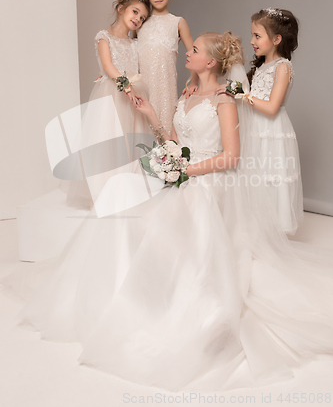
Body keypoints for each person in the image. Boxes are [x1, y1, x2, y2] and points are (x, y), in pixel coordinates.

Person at [12, 31, 333, 391]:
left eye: (193, 50)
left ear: (210, 62)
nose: (188, 52)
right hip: (184, 174)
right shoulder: (188, 93)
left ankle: (195, 309)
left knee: (176, 213)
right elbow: (177, 144)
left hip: (212, 182)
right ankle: (129, 298)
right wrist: (153, 118)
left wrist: (184, 171)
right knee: (124, 204)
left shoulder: (224, 100)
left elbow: (231, 156)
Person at [65, 0, 152, 209]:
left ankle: (128, 190)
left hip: (133, 94)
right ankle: (106, 191)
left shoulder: (135, 43)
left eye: (142, 18)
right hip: (113, 93)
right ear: (121, 8)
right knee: (110, 141)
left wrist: (134, 89)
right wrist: (125, 86)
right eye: (135, 12)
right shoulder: (105, 37)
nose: (138, 19)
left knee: (132, 141)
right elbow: (108, 65)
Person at [241, 7, 303, 235]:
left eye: (257, 36)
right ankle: (255, 225)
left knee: (270, 174)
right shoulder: (262, 66)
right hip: (254, 128)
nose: (251, 41)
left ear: (277, 39)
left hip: (271, 129)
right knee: (254, 174)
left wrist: (243, 95)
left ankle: (272, 229)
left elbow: (271, 107)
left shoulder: (283, 67)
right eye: (252, 35)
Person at [136, 0, 196, 133]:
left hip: (165, 90)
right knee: (142, 137)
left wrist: (194, 82)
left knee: (165, 139)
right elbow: (129, 53)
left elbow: (193, 53)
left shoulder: (177, 22)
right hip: (143, 89)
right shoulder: (139, 24)